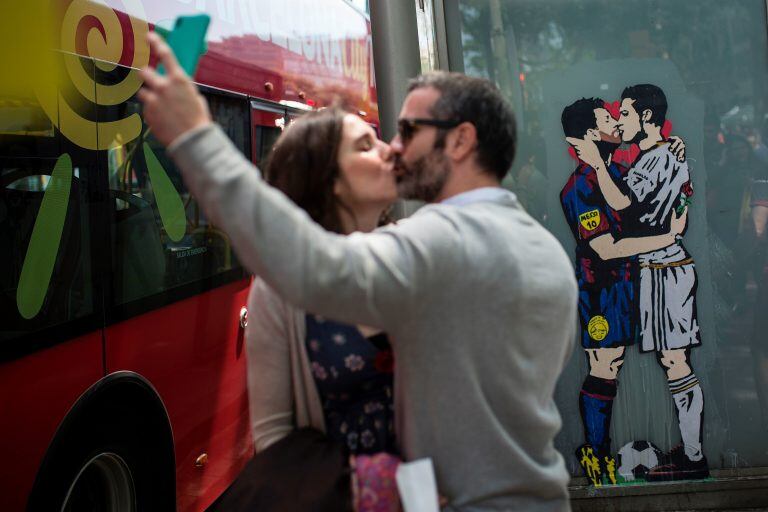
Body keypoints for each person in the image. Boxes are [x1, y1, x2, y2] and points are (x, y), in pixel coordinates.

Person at [138, 32, 577, 510]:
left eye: (408, 131)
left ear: (460, 140)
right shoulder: (544, 249)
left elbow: (315, 268)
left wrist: (197, 137)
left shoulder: (441, 242)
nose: (394, 147)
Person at [247, 106, 399, 457]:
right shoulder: (277, 289)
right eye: (365, 146)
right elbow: (272, 436)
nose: (388, 149)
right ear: (328, 180)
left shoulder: (415, 250)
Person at [574, 84, 708, 481]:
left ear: (646, 117)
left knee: (674, 359)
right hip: (656, 268)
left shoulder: (656, 159)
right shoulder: (659, 155)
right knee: (665, 359)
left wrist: (599, 165)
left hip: (665, 268)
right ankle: (689, 451)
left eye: (626, 114)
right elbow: (678, 205)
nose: (621, 120)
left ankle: (694, 456)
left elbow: (623, 204)